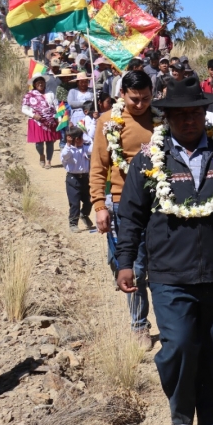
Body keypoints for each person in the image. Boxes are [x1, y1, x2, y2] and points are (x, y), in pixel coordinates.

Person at [115, 76, 213, 425]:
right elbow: (130, 214)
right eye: (180, 115)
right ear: (168, 118)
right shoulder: (150, 159)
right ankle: (181, 415)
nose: (189, 120)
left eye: (195, 112)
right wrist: (126, 261)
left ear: (204, 114)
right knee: (178, 346)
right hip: (169, 274)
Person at [91, 71, 157, 350]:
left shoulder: (161, 119)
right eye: (134, 99)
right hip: (122, 203)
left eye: (145, 98)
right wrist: (99, 205)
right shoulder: (109, 122)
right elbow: (98, 166)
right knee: (135, 266)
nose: (140, 104)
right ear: (121, 95)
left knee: (160, 265)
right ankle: (139, 325)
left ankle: (169, 320)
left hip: (160, 202)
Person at [61, 125, 94, 233]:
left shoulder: (85, 148)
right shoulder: (68, 150)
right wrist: (69, 144)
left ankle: (84, 214)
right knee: (74, 203)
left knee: (89, 200)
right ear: (76, 139)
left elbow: (93, 148)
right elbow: (65, 155)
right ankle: (73, 223)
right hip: (73, 179)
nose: (83, 139)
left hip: (85, 178)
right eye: (81, 137)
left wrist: (88, 136)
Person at [22, 75, 58, 169]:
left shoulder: (50, 93)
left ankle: (49, 161)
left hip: (50, 121)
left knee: (50, 142)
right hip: (37, 122)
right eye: (38, 83)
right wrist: (34, 115)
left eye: (42, 82)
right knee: (39, 143)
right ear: (34, 84)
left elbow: (56, 106)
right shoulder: (29, 95)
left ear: (45, 83)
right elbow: (24, 109)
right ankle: (41, 155)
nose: (40, 84)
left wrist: (58, 117)